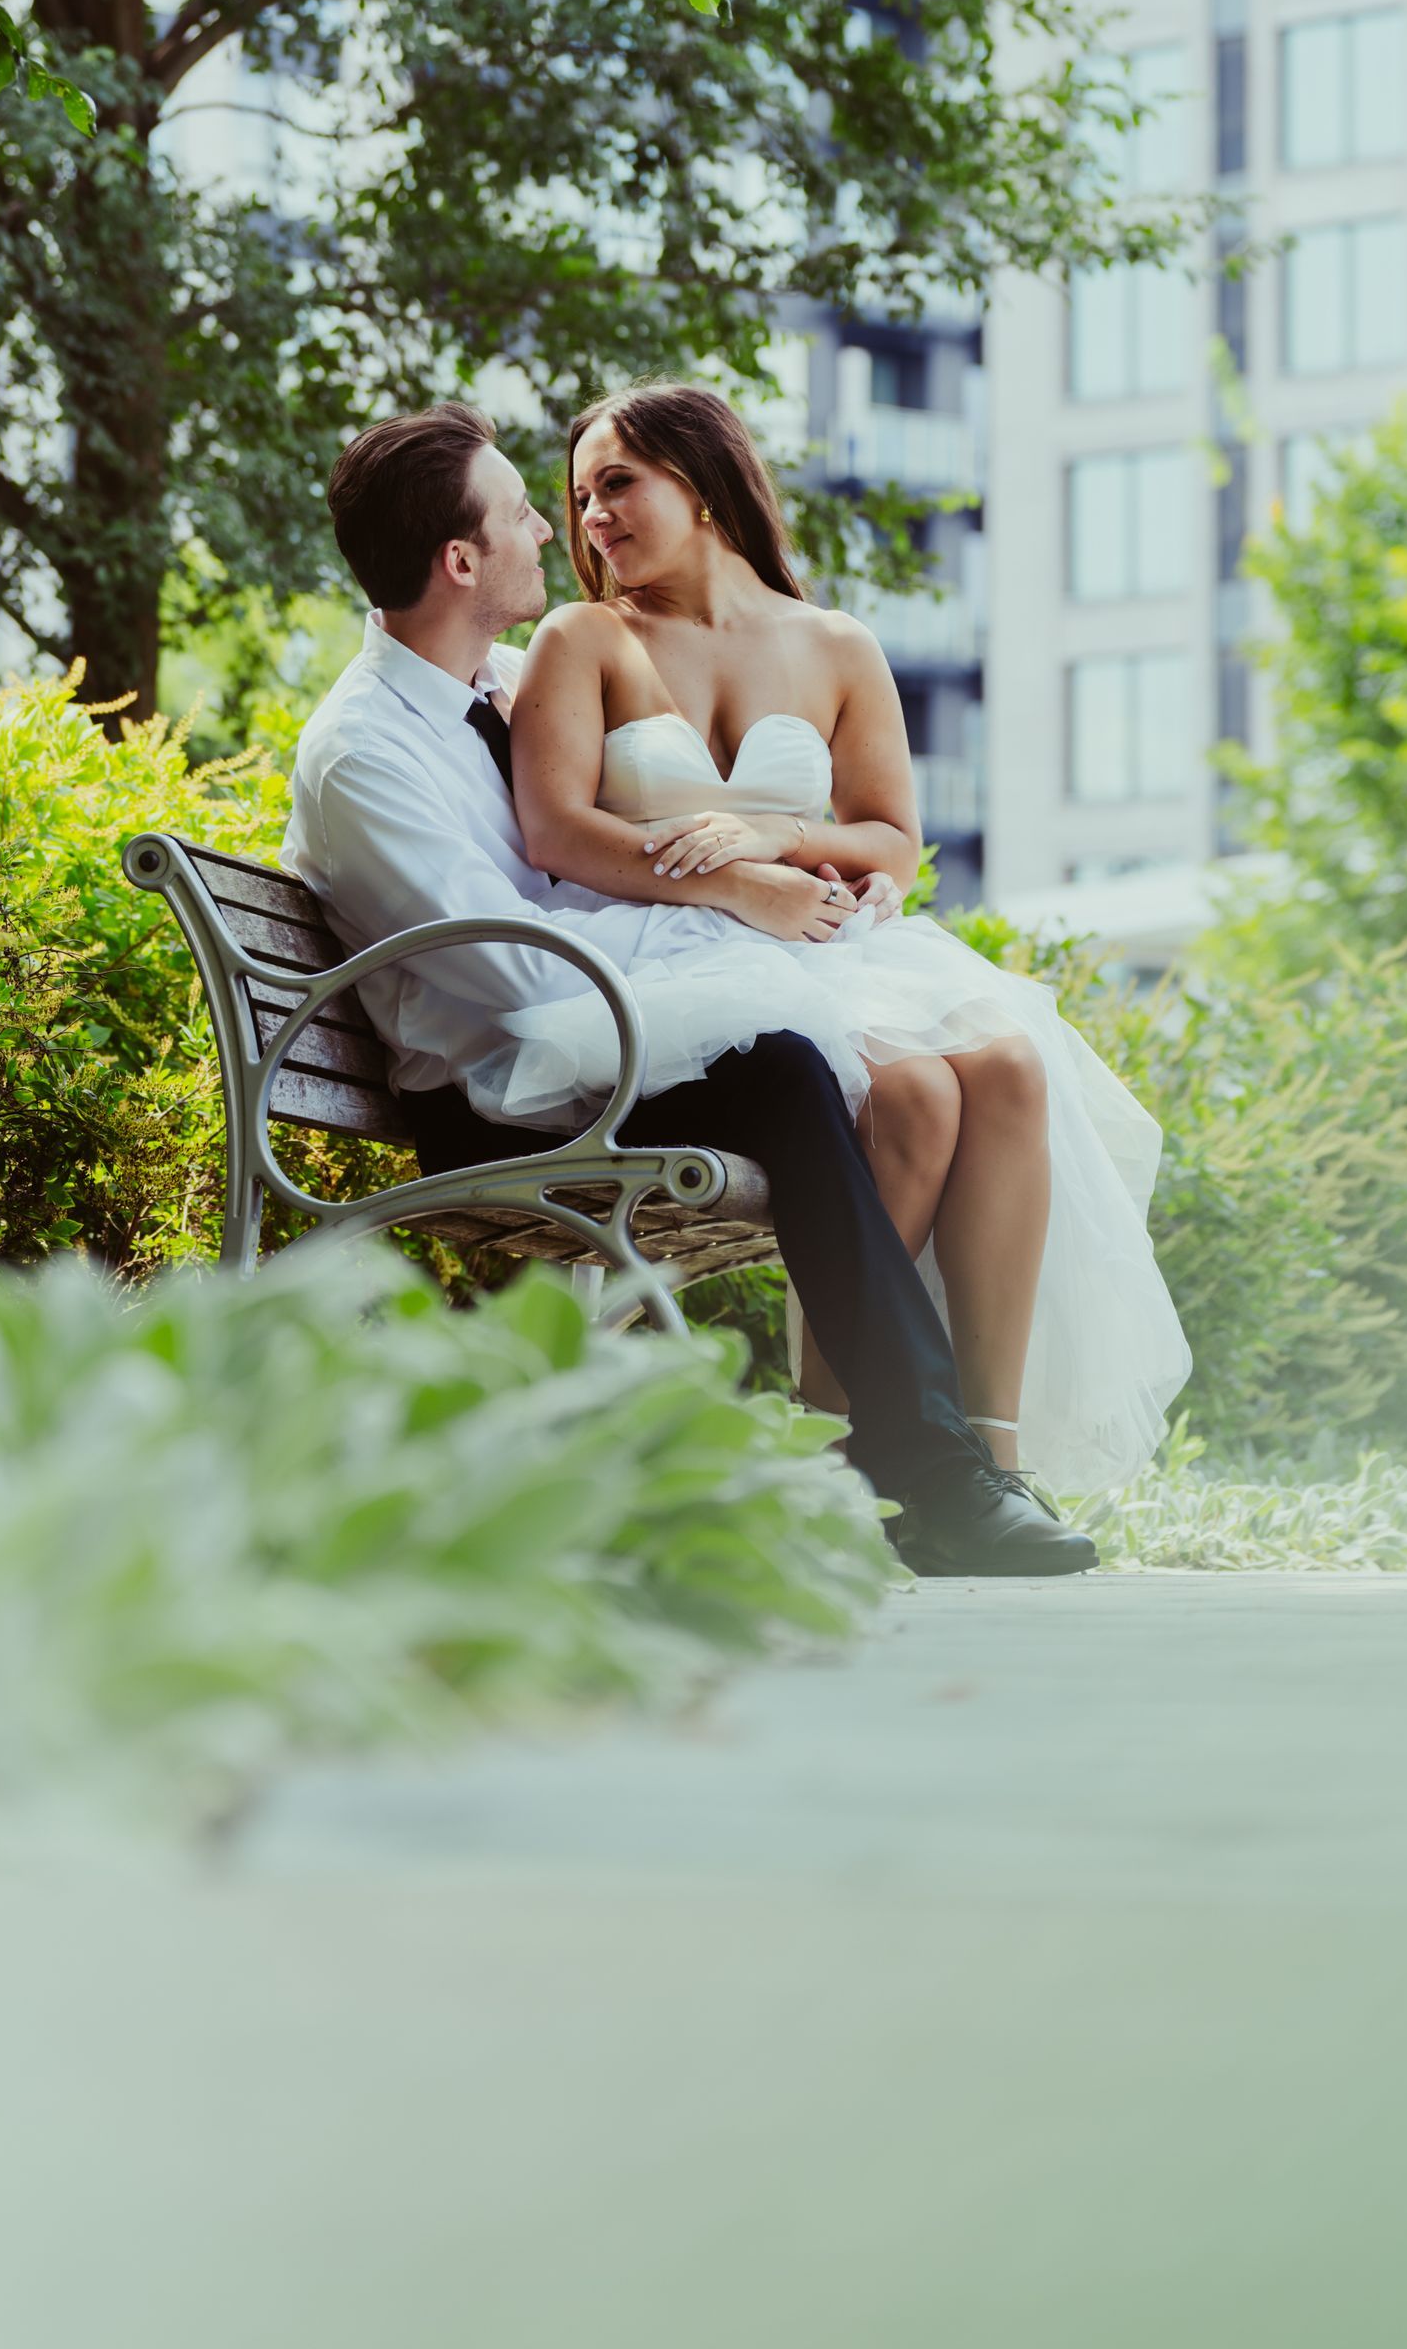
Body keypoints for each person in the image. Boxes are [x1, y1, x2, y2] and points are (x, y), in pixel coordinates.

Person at [281, 400, 1099, 1578]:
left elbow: (614, 853)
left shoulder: (496, 681)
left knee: (873, 1069)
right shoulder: (368, 751)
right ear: (461, 560)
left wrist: (784, 884)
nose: (559, 528)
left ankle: (925, 1463)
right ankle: (924, 1468)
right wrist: (740, 916)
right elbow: (516, 974)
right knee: (787, 1062)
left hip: (595, 1026)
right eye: (530, 509)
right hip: (511, 1080)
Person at [506, 382, 1191, 1495]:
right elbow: (556, 831)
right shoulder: (584, 638)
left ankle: (988, 1460)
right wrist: (737, 885)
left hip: (829, 944)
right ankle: (836, 1454)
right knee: (919, 1095)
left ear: (706, 483)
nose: (593, 518)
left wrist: (777, 832)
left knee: (1011, 1066)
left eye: (617, 483)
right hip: (675, 948)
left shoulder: (836, 645)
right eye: (580, 497)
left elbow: (893, 843)